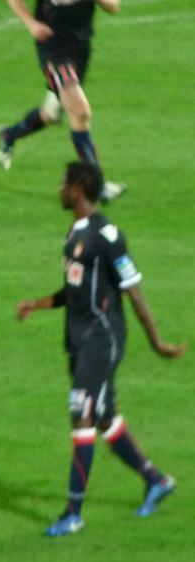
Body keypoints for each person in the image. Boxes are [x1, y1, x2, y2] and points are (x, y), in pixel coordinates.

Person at [16, 161, 186, 537]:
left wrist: (156, 341)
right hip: (79, 339)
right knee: (105, 416)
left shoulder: (106, 235)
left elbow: (134, 288)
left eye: (64, 182)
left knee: (81, 412)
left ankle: (73, 513)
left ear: (79, 188)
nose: (59, 188)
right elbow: (75, 290)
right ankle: (156, 480)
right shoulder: (75, 233)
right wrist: (37, 304)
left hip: (103, 338)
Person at [0, 0, 126, 202]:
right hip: (53, 49)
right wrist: (31, 23)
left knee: (51, 113)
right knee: (80, 111)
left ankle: (8, 135)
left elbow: (113, 7)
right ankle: (97, 185)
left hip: (80, 48)